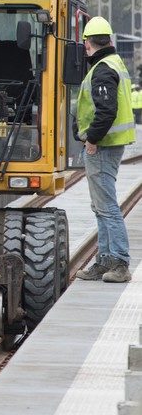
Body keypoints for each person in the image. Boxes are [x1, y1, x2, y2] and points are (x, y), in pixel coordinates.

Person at [73, 17, 136, 283]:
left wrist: (92, 139)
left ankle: (119, 262)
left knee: (107, 206)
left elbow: (106, 110)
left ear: (87, 43)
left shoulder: (102, 69)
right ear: (109, 40)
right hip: (110, 144)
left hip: (104, 146)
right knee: (100, 206)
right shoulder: (114, 63)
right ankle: (104, 261)